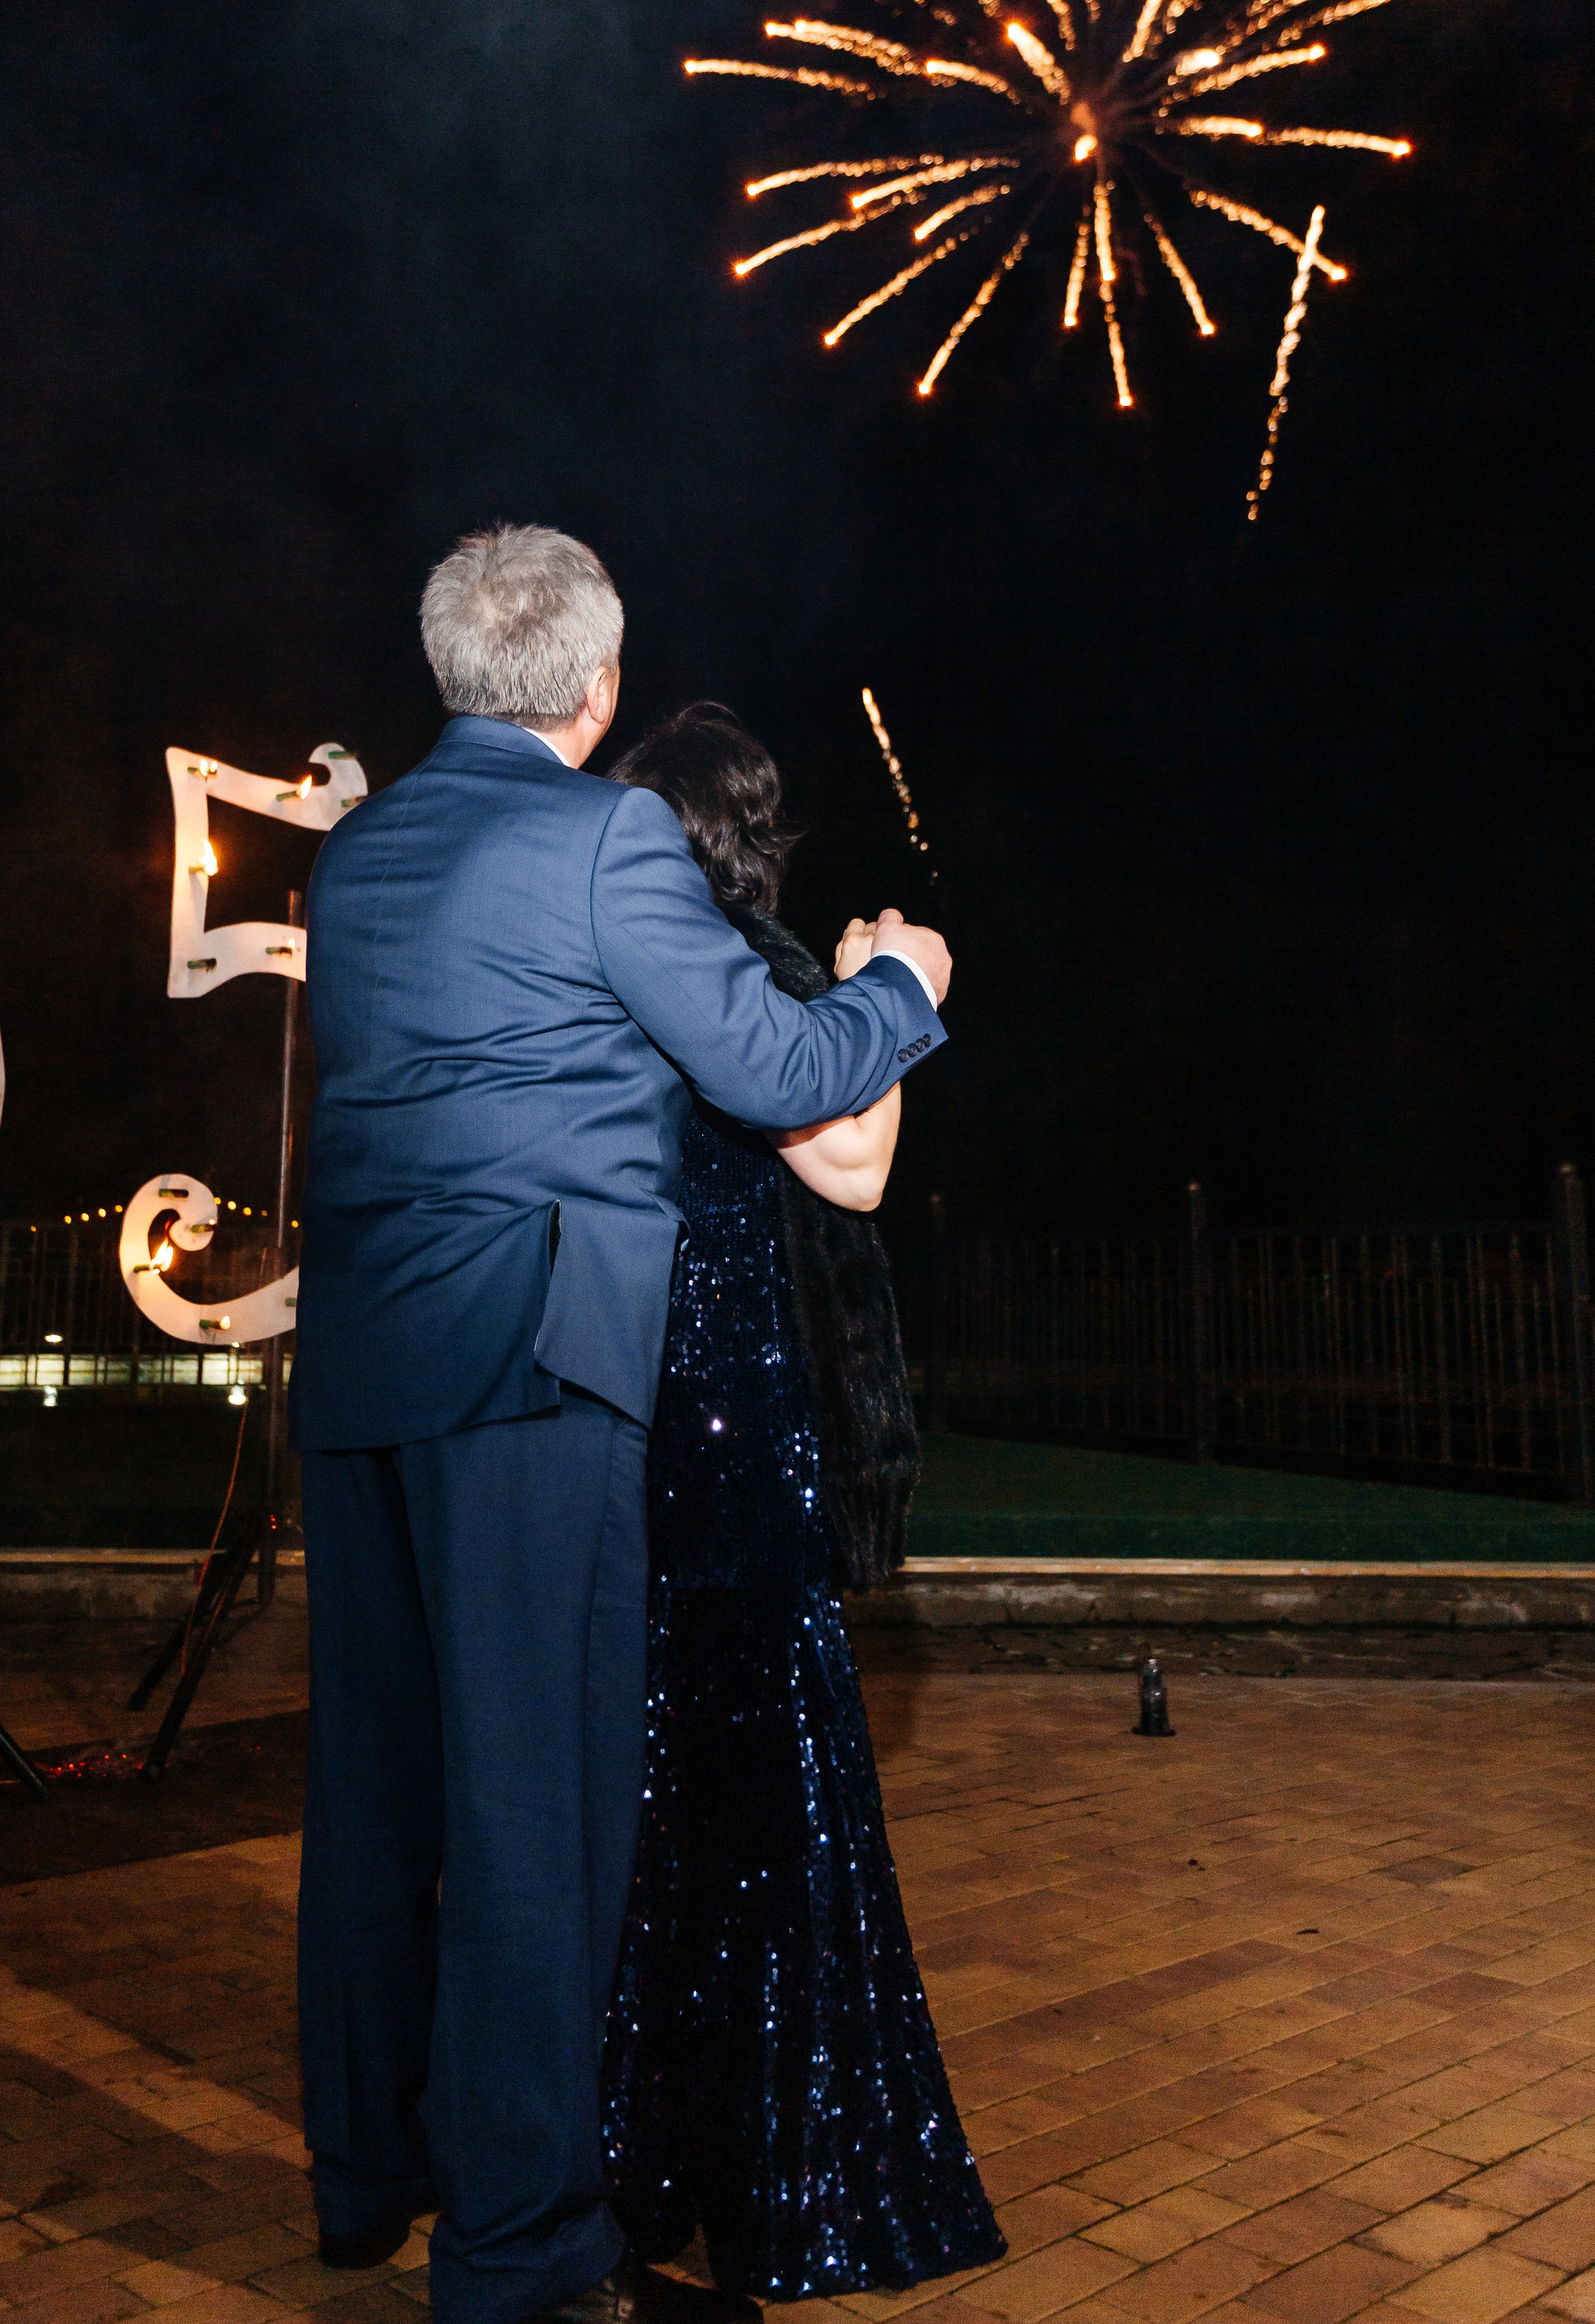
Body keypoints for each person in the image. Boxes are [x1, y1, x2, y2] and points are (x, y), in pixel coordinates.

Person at [292, 526, 951, 2324]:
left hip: (357, 1367)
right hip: (526, 1375)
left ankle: (363, 2177)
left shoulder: (354, 856)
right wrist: (908, 985)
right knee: (530, 1815)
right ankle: (515, 2252)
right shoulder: (603, 840)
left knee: (371, 1794)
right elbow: (786, 1074)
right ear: (590, 690)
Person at [600, 706, 1006, 2297]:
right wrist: (883, 989)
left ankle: (638, 2156)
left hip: (640, 1432)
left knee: (649, 1810)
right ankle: (771, 2175)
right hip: (732, 1445)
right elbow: (851, 1162)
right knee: (761, 1822)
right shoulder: (739, 967)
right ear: (754, 833)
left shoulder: (628, 967)